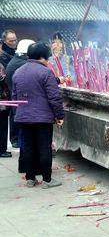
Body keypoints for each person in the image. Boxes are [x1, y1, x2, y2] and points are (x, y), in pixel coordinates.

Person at [12, 42, 64, 188]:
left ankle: (30, 178)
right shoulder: (46, 72)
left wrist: (21, 113)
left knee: (28, 147)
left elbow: (15, 96)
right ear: (44, 56)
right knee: (44, 147)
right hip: (42, 117)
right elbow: (54, 97)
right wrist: (59, 116)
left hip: (24, 116)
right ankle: (47, 180)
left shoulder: (18, 72)